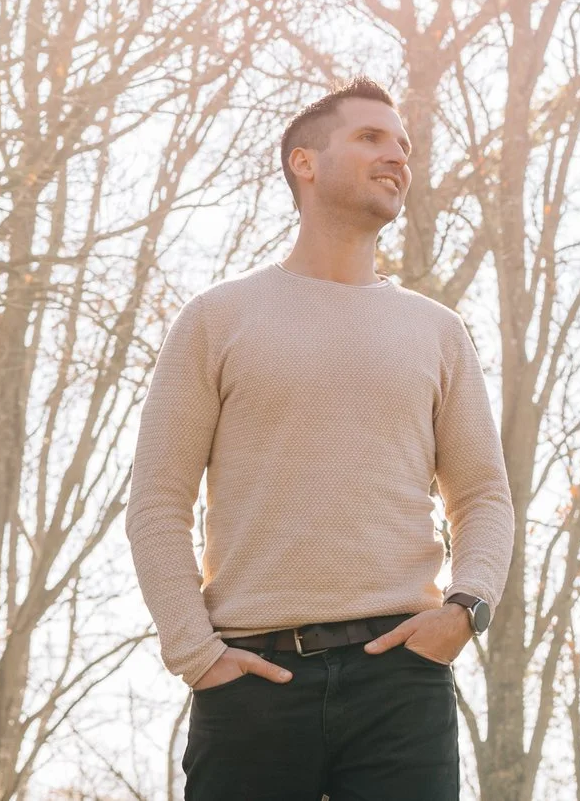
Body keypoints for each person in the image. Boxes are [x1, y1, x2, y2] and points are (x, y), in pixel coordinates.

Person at [127, 79, 514, 801]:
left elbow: (484, 494)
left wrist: (466, 609)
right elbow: (156, 500)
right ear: (304, 162)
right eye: (372, 137)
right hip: (251, 683)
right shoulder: (217, 318)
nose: (397, 154)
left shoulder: (438, 331)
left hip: (403, 680)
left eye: (403, 144)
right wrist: (196, 652)